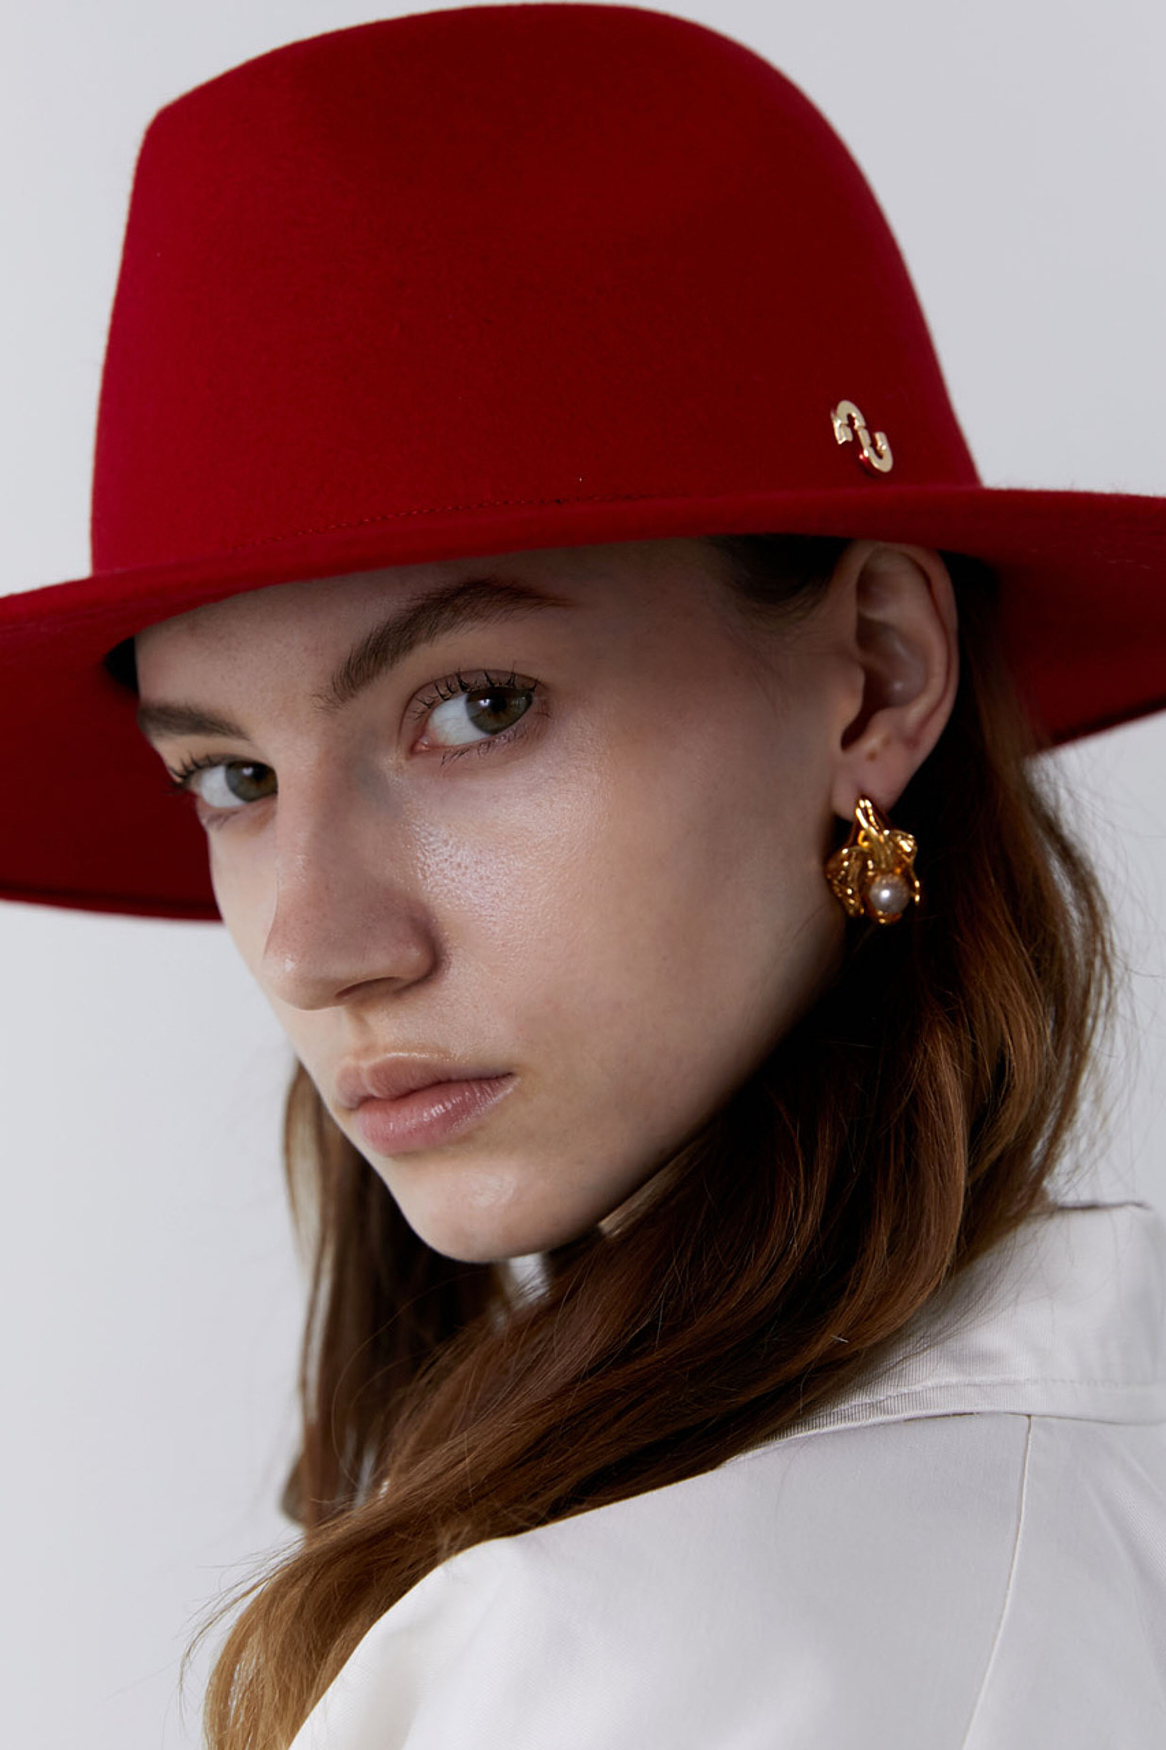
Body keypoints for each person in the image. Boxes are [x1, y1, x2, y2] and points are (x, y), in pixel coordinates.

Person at [2, 5, 1164, 1748]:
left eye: (476, 705)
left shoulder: (618, 1648)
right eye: (230, 777)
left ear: (873, 674)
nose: (316, 943)